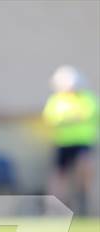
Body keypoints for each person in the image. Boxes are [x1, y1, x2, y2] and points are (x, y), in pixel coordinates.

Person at [43, 66, 99, 215]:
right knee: (59, 175)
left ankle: (84, 202)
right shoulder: (56, 100)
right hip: (62, 143)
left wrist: (68, 118)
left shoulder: (87, 98)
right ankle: (56, 206)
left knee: (85, 168)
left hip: (83, 142)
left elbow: (88, 114)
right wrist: (73, 117)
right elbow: (51, 118)